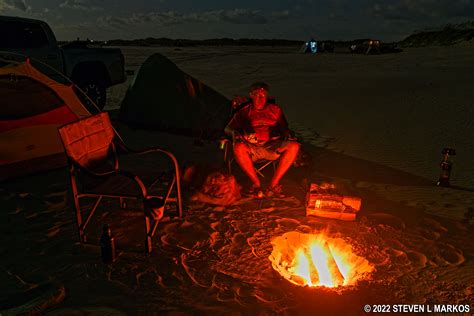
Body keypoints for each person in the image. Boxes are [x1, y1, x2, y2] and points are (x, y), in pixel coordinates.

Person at [224, 82, 300, 198]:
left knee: (294, 146)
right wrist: (236, 133)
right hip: (252, 149)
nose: (259, 98)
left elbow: (285, 129)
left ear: (267, 96)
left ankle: (273, 185)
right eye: (256, 95)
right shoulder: (244, 111)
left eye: (263, 95)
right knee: (238, 147)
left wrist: (288, 135)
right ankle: (256, 184)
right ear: (251, 95)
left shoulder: (275, 110)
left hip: (271, 146)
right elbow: (228, 129)